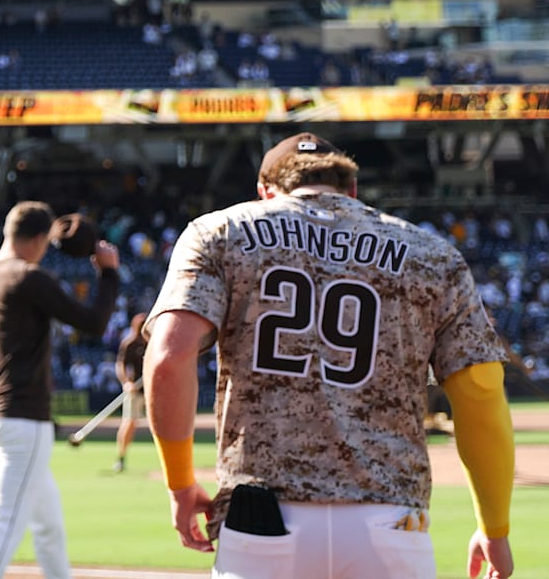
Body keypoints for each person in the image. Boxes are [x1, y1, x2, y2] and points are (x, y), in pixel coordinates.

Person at [143, 132, 514, 579]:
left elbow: (168, 358)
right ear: (351, 190)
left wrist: (181, 484)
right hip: (390, 519)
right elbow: (479, 389)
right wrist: (494, 528)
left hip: (261, 517)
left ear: (265, 190)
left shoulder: (219, 232)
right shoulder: (434, 256)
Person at [0, 201, 120, 579]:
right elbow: (94, 323)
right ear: (36, 239)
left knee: (47, 525)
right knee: (3, 524)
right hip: (22, 416)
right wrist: (109, 275)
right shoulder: (28, 277)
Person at [112, 312, 148, 473]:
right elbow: (121, 365)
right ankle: (121, 457)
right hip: (135, 390)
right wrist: (127, 383)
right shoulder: (130, 343)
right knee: (130, 422)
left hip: (153, 388)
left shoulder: (154, 342)